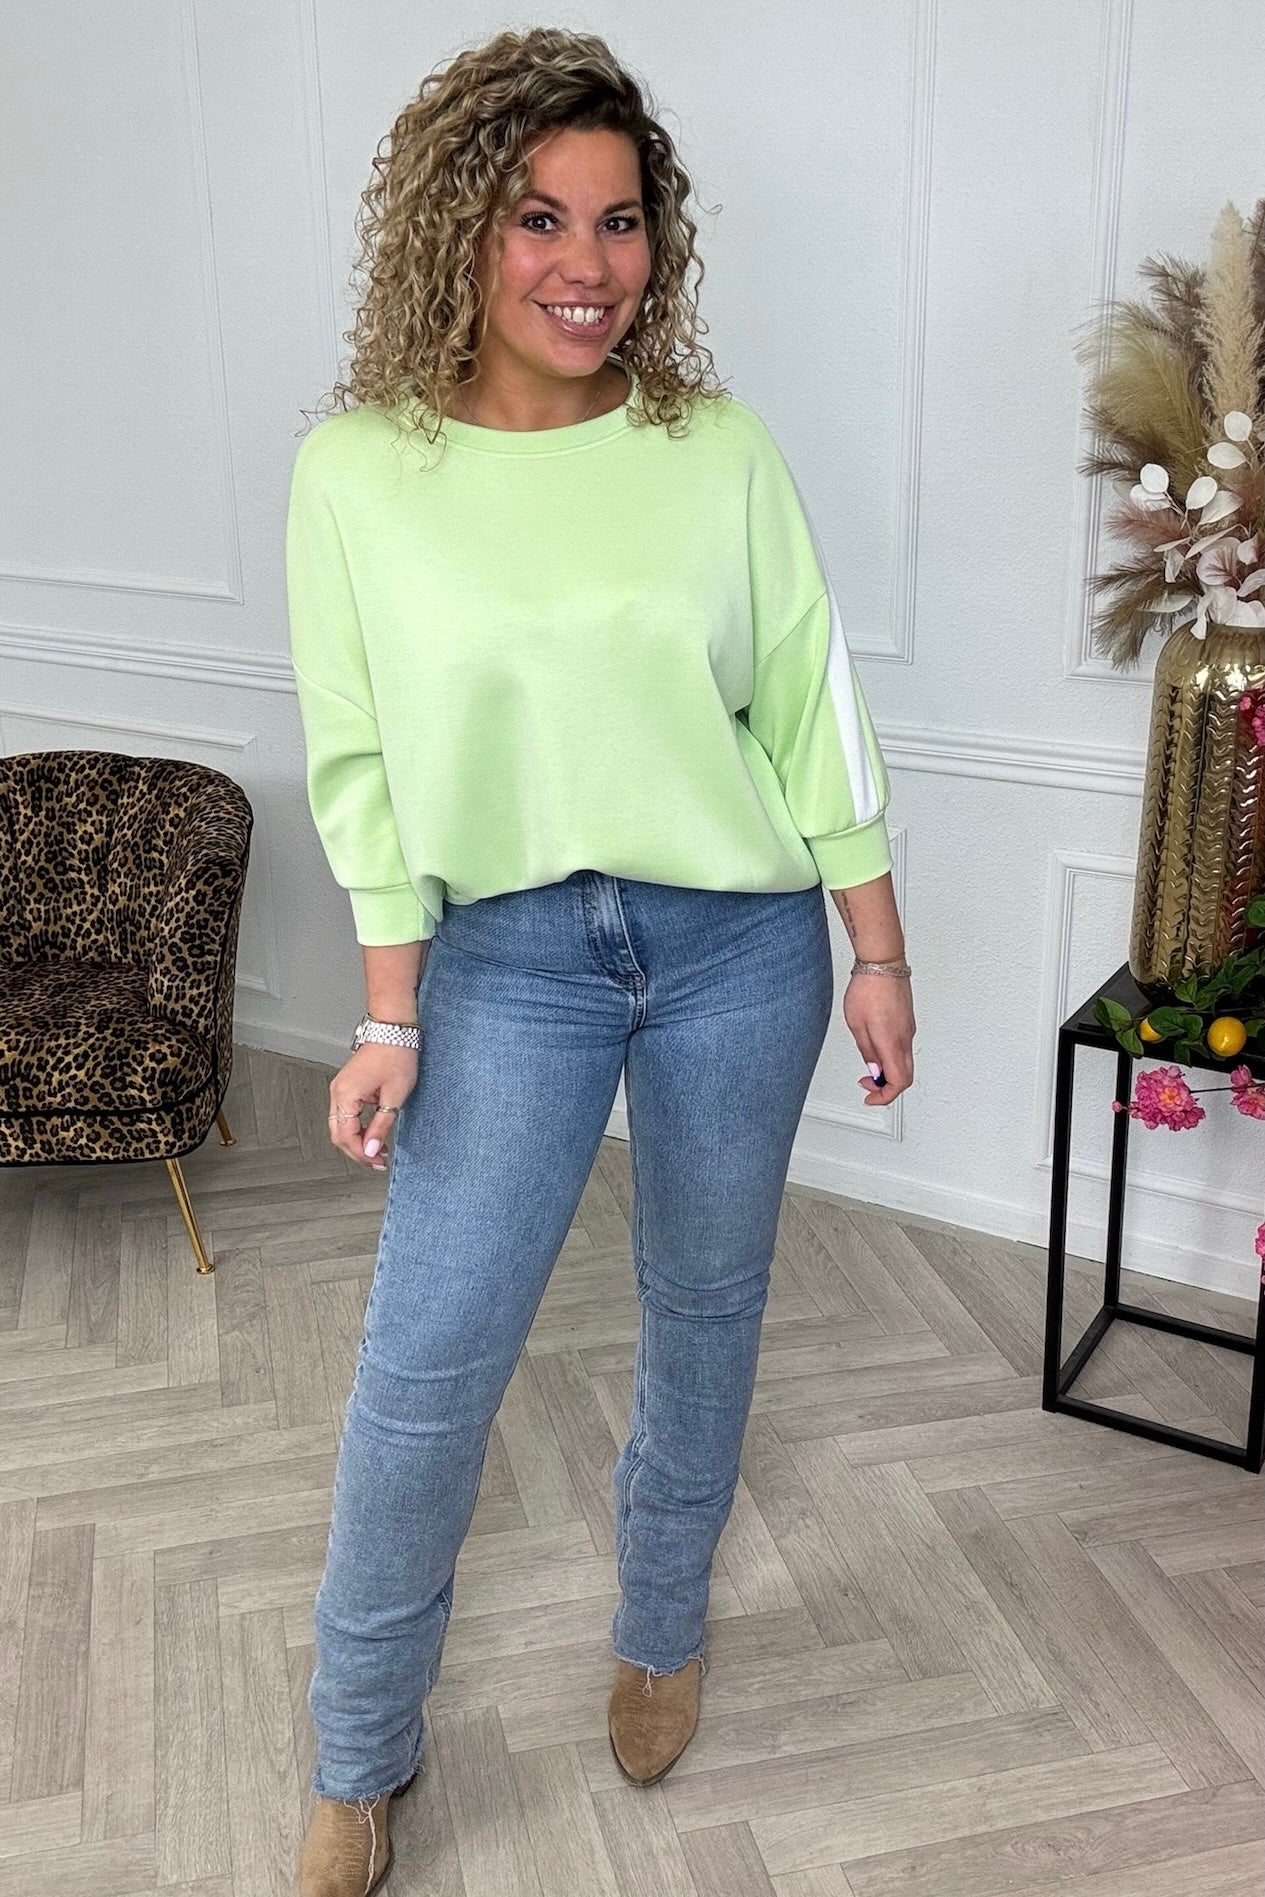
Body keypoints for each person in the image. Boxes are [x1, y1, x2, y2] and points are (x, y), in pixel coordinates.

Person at [286, 25, 915, 1896]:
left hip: (739, 946)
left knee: (705, 1305)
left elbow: (810, 706)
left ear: (661, 239)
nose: (587, 263)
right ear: (455, 232)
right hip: (505, 961)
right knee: (429, 1364)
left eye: (620, 220)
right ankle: (355, 1751)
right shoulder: (358, 471)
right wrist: (388, 1008)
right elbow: (357, 765)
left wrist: (875, 949)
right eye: (538, 217)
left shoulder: (713, 451)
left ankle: (659, 1627)